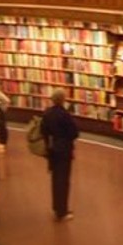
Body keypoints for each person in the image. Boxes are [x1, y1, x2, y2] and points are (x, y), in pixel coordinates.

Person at [40, 88, 79, 222]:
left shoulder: (47, 113)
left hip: (52, 150)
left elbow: (43, 131)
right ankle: (62, 212)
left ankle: (56, 207)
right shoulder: (64, 114)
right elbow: (74, 133)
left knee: (55, 179)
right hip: (64, 150)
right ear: (63, 100)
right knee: (64, 180)